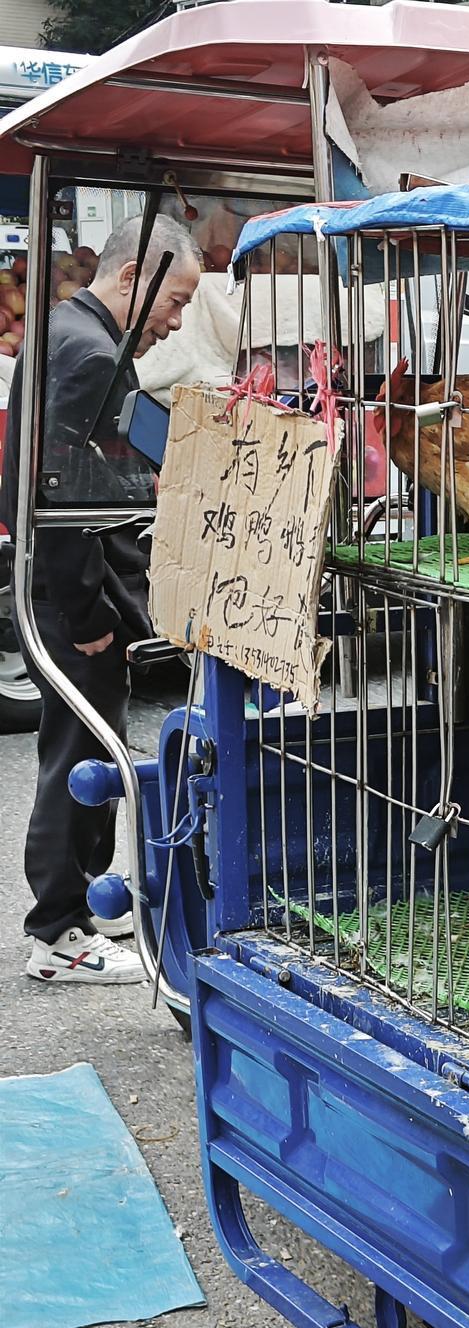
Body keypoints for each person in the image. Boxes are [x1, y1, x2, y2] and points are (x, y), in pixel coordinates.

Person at [1, 213, 202, 984]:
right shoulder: (91, 353)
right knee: (77, 754)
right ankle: (57, 931)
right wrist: (86, 616)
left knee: (87, 746)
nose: (175, 320)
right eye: (174, 300)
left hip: (71, 589)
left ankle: (92, 902)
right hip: (74, 597)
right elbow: (59, 499)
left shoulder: (62, 333)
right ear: (132, 276)